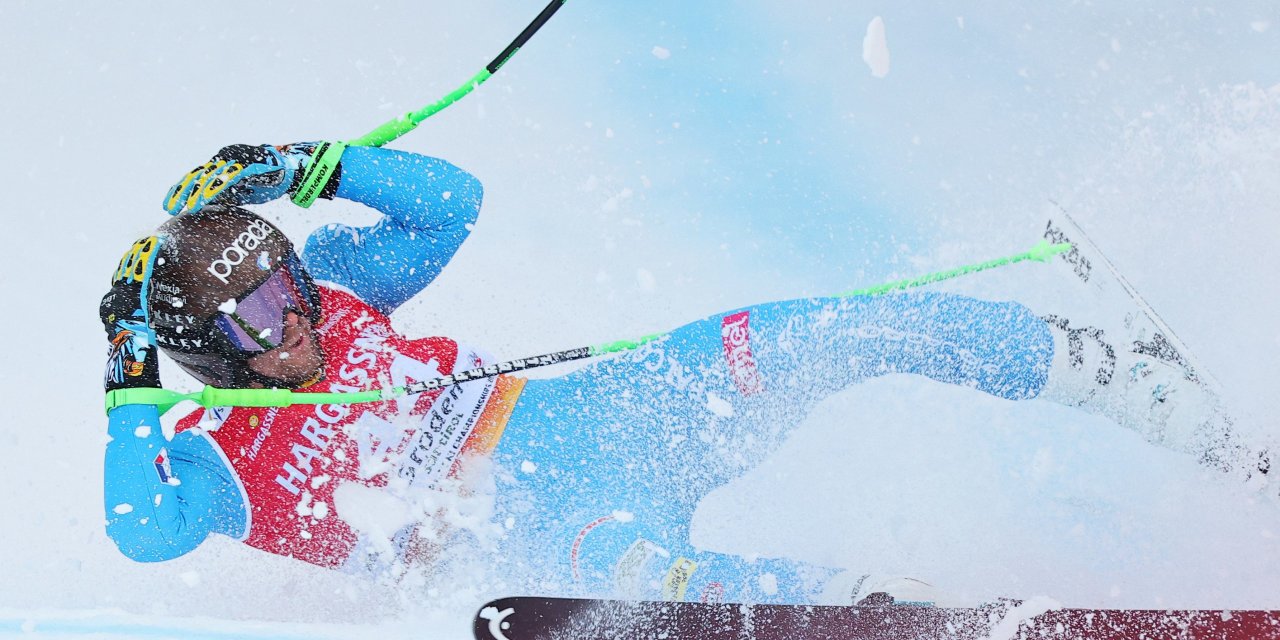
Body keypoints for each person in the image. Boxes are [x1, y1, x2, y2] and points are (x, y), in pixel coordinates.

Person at [100, 141, 1254, 605]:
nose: (294, 310)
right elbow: (141, 532)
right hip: (541, 531)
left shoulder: (339, 299)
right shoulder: (208, 452)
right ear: (209, 349)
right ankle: (907, 619)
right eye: (258, 310)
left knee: (820, 332)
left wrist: (315, 164)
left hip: (610, 407)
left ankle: (1115, 376)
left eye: (290, 279)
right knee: (676, 588)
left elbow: (451, 203)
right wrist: (128, 382)